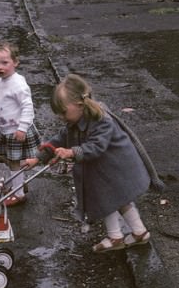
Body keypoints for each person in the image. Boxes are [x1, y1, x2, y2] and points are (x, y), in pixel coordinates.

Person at [37, 74, 152, 253]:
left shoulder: (102, 120)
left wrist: (72, 152)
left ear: (80, 105)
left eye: (63, 112)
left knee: (108, 200)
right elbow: (60, 138)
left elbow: (96, 146)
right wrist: (39, 157)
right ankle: (139, 232)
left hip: (116, 169)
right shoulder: (75, 120)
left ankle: (116, 237)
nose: (60, 117)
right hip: (106, 170)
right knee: (117, 200)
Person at [0, 40, 40, 206]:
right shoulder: (3, 81)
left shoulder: (17, 83)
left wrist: (22, 128)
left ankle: (18, 194)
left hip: (16, 130)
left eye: (5, 62)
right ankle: (18, 184)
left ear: (15, 62)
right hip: (7, 129)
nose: (0, 67)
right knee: (10, 160)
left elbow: (27, 106)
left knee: (14, 162)